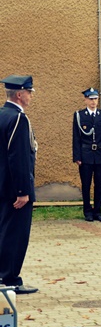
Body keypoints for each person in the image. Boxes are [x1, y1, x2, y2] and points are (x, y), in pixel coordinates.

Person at [0, 75, 37, 294]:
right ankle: (10, 279)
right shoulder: (18, 119)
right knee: (15, 235)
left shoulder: (2, 114)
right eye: (29, 92)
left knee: (4, 231)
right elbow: (19, 157)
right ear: (20, 95)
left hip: (3, 186)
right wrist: (23, 191)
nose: (31, 96)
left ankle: (3, 275)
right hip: (15, 189)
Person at [72, 87, 101, 222]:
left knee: (99, 184)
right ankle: (87, 211)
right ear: (85, 100)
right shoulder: (79, 115)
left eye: (95, 99)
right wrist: (77, 156)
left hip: (100, 154)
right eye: (90, 99)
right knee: (86, 184)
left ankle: (98, 212)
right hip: (86, 155)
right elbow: (76, 137)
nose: (93, 102)